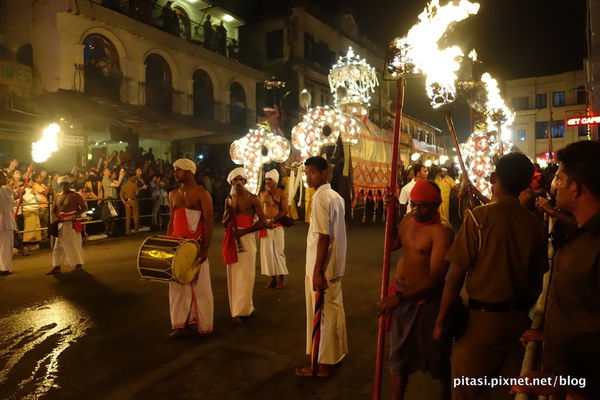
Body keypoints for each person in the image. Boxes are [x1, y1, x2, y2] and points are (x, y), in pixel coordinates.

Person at [433, 152, 548, 400]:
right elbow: (537, 282)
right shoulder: (534, 226)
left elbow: (454, 277)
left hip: (479, 325)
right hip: (517, 324)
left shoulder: (477, 219)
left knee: (467, 390)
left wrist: (441, 319)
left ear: (495, 177)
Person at [515, 141, 600, 400]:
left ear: (576, 187)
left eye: (560, 179)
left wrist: (565, 382)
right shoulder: (580, 235)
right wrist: (548, 335)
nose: (554, 185)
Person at [377, 179, 454, 400]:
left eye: (423, 206)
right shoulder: (408, 218)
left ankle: (446, 395)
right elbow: (392, 245)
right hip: (401, 295)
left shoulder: (442, 231)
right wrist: (390, 214)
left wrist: (398, 298)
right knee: (398, 355)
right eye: (413, 204)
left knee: (437, 356)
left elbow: (435, 278)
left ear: (436, 205)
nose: (417, 210)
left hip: (425, 301)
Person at [295, 156, 348, 378]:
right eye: (306, 172)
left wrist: (317, 272)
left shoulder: (320, 199)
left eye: (312, 172)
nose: (308, 176)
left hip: (323, 266)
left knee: (321, 314)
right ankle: (335, 355)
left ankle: (321, 365)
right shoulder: (336, 197)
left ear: (325, 173)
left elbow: (324, 238)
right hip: (335, 265)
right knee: (333, 310)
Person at [166, 159, 214, 339]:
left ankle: (204, 324)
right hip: (177, 246)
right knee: (177, 287)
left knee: (200, 286)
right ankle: (181, 324)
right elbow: (171, 221)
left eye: (177, 170)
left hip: (196, 246)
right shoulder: (172, 194)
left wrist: (204, 250)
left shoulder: (202, 194)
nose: (174, 173)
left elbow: (209, 224)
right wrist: (167, 244)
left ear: (189, 172)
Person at [222, 167, 266, 324]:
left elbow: (263, 222)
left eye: (241, 179)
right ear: (232, 183)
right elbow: (223, 222)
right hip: (232, 237)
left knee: (247, 275)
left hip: (247, 239)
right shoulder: (229, 199)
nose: (238, 182)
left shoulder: (253, 198)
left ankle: (246, 307)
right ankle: (236, 311)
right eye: (235, 180)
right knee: (234, 275)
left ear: (245, 181)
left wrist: (245, 232)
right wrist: (229, 210)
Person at [46, 176, 87, 275]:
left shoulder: (75, 195)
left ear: (69, 185)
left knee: (74, 244)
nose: (64, 186)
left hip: (71, 224)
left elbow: (84, 207)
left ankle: (78, 264)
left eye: (66, 184)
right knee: (58, 246)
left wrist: (74, 215)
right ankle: (57, 266)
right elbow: (53, 210)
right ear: (60, 185)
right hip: (61, 224)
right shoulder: (57, 196)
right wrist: (56, 219)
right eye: (62, 184)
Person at [259, 169, 289, 289]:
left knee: (278, 252)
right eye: (266, 179)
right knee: (267, 254)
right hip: (266, 227)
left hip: (277, 226)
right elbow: (260, 210)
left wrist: (274, 219)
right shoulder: (262, 194)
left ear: (275, 180)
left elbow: (285, 211)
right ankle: (272, 278)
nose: (267, 181)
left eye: (270, 179)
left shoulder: (282, 193)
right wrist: (263, 221)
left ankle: (281, 278)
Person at [0, 171, 16, 275]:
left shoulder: (7, 189)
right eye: (2, 176)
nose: (5, 178)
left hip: (7, 221)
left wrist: (18, 194)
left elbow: (12, 203)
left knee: (6, 246)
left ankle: (5, 268)